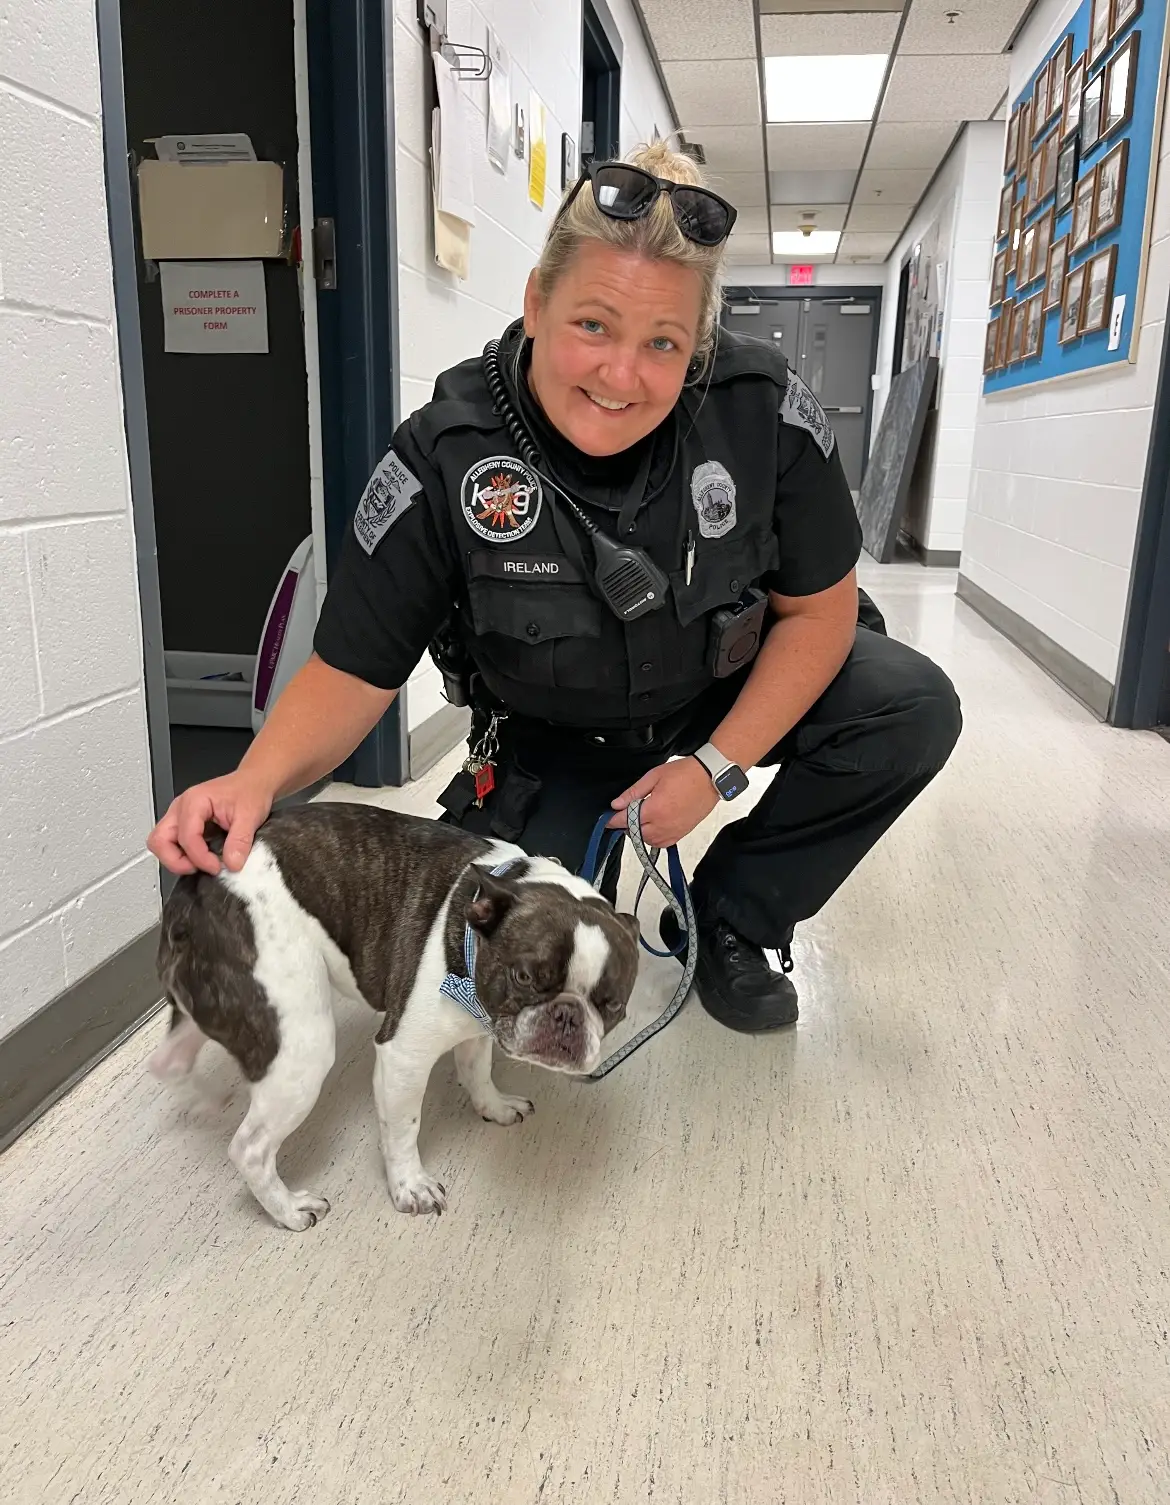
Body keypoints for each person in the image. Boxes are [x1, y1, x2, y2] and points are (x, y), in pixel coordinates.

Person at [148, 142, 962, 1034]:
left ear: (700, 344)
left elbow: (820, 610)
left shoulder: (760, 411)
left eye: (664, 343)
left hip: (715, 694)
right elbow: (352, 670)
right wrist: (254, 781)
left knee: (908, 705)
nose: (622, 374)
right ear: (537, 300)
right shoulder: (446, 453)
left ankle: (737, 915)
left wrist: (714, 768)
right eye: (593, 327)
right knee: (484, 981)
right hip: (553, 736)